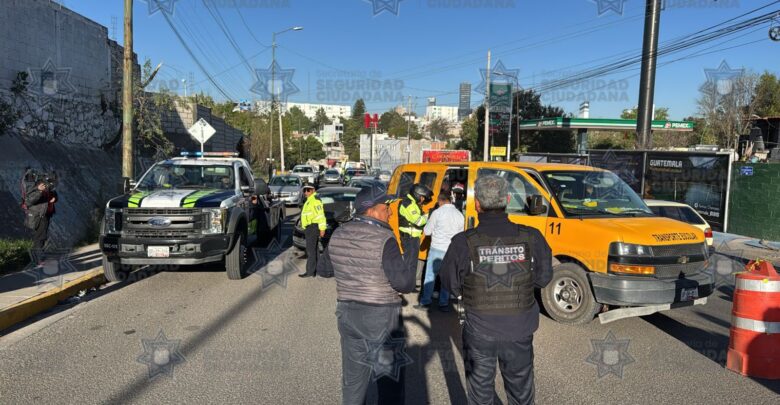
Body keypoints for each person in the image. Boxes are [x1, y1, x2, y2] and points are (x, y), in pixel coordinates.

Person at [440, 175, 553, 405]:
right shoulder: (532, 237)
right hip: (519, 329)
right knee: (521, 394)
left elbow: (450, 284)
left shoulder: (463, 242)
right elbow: (543, 278)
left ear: (477, 204)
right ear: (508, 200)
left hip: (479, 330)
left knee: (480, 395)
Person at [318, 184, 416, 405]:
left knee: (353, 383)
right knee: (389, 383)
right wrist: (409, 254)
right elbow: (405, 283)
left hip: (348, 314)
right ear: (371, 209)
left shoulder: (338, 233)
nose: (390, 211)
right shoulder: (385, 239)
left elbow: (324, 270)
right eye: (386, 206)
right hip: (381, 318)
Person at [416, 192, 464, 312]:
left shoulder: (437, 213)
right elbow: (460, 235)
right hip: (451, 251)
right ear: (451, 200)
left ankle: (425, 302)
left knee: (430, 276)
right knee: (446, 278)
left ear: (439, 201)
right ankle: (444, 303)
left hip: (437, 248)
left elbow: (427, 232)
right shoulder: (459, 215)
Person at [397, 183, 433, 272]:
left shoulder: (413, 204)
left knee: (412, 264)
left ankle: (409, 283)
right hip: (409, 238)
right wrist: (430, 214)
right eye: (423, 197)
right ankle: (407, 284)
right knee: (410, 265)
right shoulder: (408, 204)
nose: (423, 200)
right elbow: (419, 221)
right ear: (418, 195)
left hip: (412, 238)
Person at [298, 184, 326, 278]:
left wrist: (322, 229)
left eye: (308, 190)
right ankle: (316, 270)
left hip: (313, 227)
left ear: (313, 190)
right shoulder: (309, 200)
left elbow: (320, 216)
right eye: (304, 190)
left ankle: (310, 271)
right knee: (315, 250)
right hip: (309, 227)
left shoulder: (315, 201)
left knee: (310, 251)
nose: (306, 192)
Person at [24, 180, 57, 252]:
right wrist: (39, 191)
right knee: (41, 236)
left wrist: (55, 199)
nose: (45, 186)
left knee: (42, 236)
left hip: (47, 215)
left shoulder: (49, 188)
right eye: (44, 184)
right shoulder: (34, 190)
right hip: (39, 216)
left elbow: (55, 195)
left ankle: (37, 255)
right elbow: (29, 201)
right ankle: (37, 256)